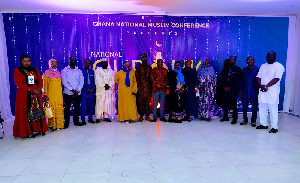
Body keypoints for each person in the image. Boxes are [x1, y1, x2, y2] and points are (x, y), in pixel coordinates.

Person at [13, 54, 48, 138]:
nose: (26, 63)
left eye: (28, 60)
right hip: (24, 95)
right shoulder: (18, 70)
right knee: (26, 112)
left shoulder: (34, 70)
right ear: (21, 62)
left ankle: (40, 129)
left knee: (38, 111)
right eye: (24, 61)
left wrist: (38, 90)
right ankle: (28, 132)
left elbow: (40, 81)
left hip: (36, 94)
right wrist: (32, 90)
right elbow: (19, 84)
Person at [256, 51, 285, 133]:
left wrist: (266, 86)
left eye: (269, 56)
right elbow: (258, 77)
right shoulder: (263, 66)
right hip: (262, 90)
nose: (267, 58)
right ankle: (263, 124)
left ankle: (274, 127)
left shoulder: (279, 66)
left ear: (274, 57)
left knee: (273, 109)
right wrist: (260, 86)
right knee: (262, 107)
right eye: (267, 56)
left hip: (272, 91)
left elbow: (276, 78)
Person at [61, 56, 84, 128]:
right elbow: (64, 82)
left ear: (76, 61)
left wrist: (77, 90)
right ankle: (66, 122)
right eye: (72, 60)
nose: (73, 61)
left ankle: (76, 121)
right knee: (67, 108)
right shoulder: (64, 70)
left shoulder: (79, 71)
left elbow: (81, 81)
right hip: (68, 92)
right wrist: (72, 89)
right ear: (69, 61)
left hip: (77, 93)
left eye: (74, 60)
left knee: (76, 108)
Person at [219, 55, 242, 124]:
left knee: (233, 104)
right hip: (225, 89)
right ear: (229, 60)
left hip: (233, 89)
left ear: (235, 61)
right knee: (225, 103)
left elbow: (238, 80)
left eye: (233, 60)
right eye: (230, 59)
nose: (231, 61)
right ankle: (225, 117)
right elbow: (221, 78)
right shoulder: (225, 68)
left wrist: (230, 87)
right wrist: (224, 87)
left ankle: (235, 119)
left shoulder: (238, 69)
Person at [43, 59, 64, 131]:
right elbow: (44, 85)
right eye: (52, 64)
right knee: (51, 109)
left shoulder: (58, 73)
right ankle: (52, 125)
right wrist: (45, 94)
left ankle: (59, 125)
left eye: (55, 63)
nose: (54, 65)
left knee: (58, 108)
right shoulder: (47, 73)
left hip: (58, 95)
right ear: (50, 64)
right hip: (51, 94)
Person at [240, 56, 259, 127]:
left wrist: (259, 91)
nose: (250, 61)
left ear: (254, 61)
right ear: (246, 61)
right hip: (244, 91)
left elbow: (260, 81)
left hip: (254, 91)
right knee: (244, 106)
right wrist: (240, 91)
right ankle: (245, 120)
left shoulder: (258, 70)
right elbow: (240, 81)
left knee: (254, 106)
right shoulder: (244, 70)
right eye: (248, 60)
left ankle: (253, 121)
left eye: (251, 60)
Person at [135, 53, 152, 122]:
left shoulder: (149, 67)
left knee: (148, 103)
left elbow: (151, 78)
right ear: (141, 59)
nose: (144, 59)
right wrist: (139, 88)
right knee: (140, 103)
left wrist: (150, 88)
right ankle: (141, 116)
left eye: (145, 58)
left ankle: (147, 116)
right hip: (141, 88)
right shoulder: (138, 67)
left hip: (148, 88)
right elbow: (137, 79)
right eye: (143, 58)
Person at [80, 59, 95, 125]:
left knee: (91, 106)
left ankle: (90, 118)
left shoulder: (92, 72)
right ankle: (83, 119)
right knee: (83, 106)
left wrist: (92, 89)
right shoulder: (81, 72)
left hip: (91, 92)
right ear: (84, 63)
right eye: (86, 62)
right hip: (84, 92)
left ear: (90, 64)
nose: (87, 64)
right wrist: (86, 89)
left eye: (88, 63)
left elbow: (95, 82)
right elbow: (80, 82)